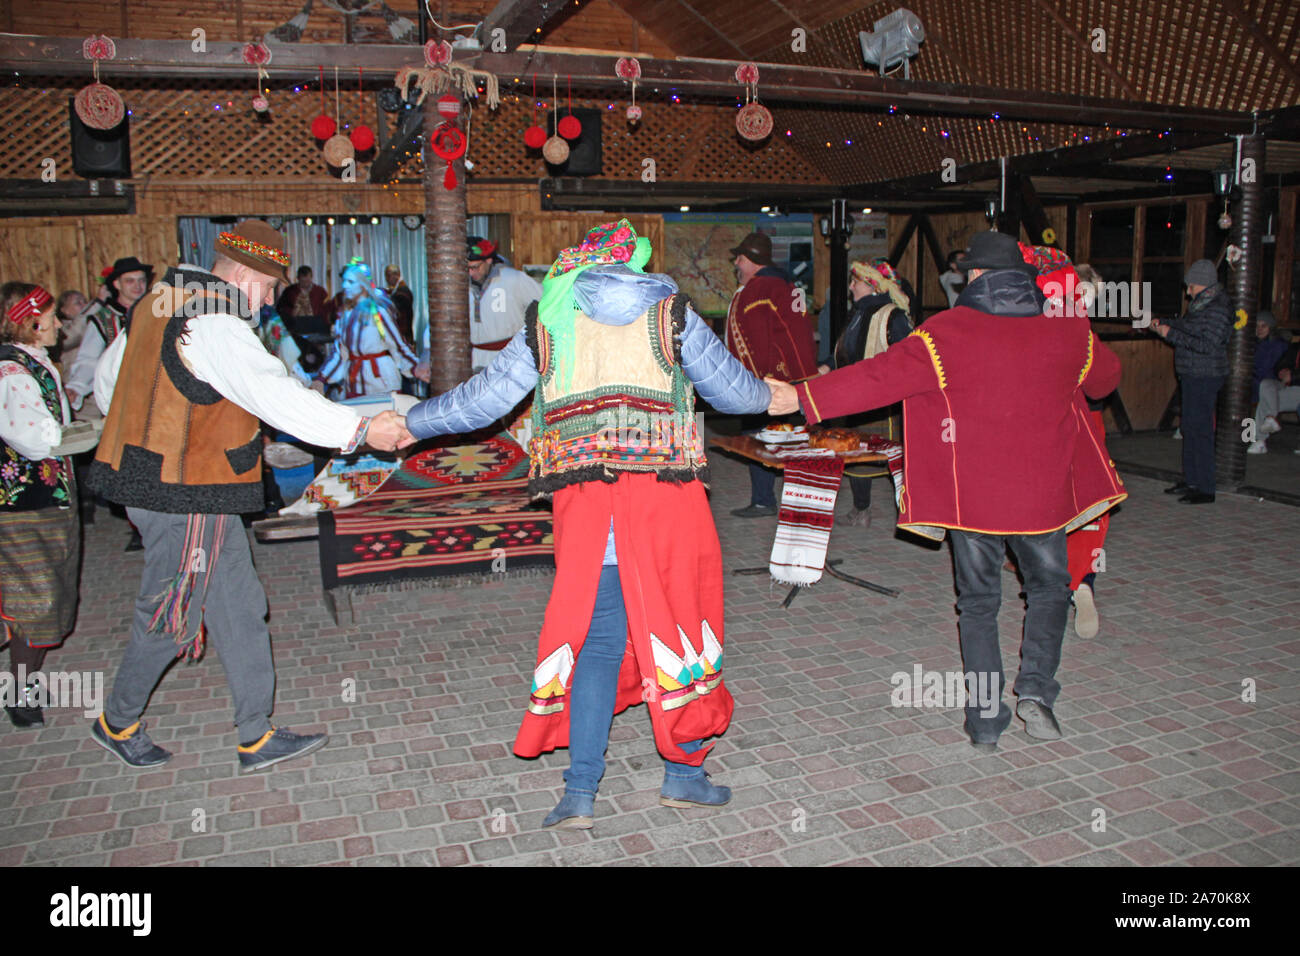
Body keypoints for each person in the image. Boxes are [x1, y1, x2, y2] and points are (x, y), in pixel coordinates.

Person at [404, 220, 772, 829]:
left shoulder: (549, 317)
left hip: (585, 503)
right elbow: (738, 398)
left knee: (598, 641)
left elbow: (483, 402)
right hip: (664, 500)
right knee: (679, 625)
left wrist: (412, 422)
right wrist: (772, 394)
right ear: (637, 263)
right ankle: (683, 774)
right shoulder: (670, 312)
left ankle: (580, 792)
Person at [769, 230, 1126, 752]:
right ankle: (1037, 692)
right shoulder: (1068, 332)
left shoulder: (945, 333)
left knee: (980, 602)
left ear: (976, 277)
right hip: (1043, 498)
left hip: (973, 501)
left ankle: (985, 719)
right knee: (1050, 590)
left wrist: (802, 397)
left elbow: (876, 378)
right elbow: (1104, 383)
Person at [87, 220, 409, 772]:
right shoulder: (214, 320)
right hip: (182, 492)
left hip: (169, 483)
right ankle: (116, 720)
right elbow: (272, 393)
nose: (266, 300)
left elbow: (106, 380)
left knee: (238, 604)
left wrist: (149, 432)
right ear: (240, 272)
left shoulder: (158, 302)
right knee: (174, 613)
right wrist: (359, 431)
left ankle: (255, 735)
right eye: (265, 286)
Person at [0, 283, 81, 728]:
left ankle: (24, 680)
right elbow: (33, 438)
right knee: (35, 598)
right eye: (51, 316)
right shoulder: (11, 371)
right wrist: (70, 434)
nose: (58, 324)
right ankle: (18, 692)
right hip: (24, 506)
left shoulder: (29, 363)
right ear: (29, 320)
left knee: (47, 593)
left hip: (44, 501)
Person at [724, 231, 817, 517]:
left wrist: (750, 384)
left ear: (751, 259)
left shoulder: (757, 291)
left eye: (739, 258)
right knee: (790, 438)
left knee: (759, 438)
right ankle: (801, 499)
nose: (736, 265)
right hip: (797, 379)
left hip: (767, 382)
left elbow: (752, 342)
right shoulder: (788, 285)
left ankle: (764, 499)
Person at [829, 259, 914, 529]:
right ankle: (861, 509)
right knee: (856, 452)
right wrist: (828, 367)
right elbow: (847, 350)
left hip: (882, 401)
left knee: (893, 458)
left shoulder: (893, 316)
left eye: (857, 281)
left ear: (873, 285)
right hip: (854, 396)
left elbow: (909, 358)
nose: (851, 286)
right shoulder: (857, 313)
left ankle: (912, 514)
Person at [1150, 259, 1232, 503]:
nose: (1188, 292)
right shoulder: (1203, 304)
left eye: (1192, 287)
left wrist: (1170, 334)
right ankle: (1192, 480)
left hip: (1205, 374)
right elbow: (1190, 327)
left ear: (1204, 285)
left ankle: (1205, 488)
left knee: (1201, 431)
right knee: (1191, 429)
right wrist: (1165, 322)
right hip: (1193, 373)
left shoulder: (1218, 308)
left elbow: (1208, 344)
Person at [308, 259, 417, 399]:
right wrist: (321, 379)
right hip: (355, 384)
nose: (344, 285)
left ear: (363, 285)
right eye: (344, 281)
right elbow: (341, 355)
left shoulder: (377, 312)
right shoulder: (344, 316)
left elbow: (398, 347)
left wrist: (416, 367)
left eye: (351, 282)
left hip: (382, 383)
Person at [64, 257, 152, 414]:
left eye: (141, 280)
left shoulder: (153, 314)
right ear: (117, 284)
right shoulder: (103, 319)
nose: (138, 286)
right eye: (130, 281)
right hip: (117, 398)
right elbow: (89, 360)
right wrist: (76, 387)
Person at [466, 237, 541, 372]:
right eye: (467, 268)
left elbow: (547, 303)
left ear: (488, 260)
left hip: (510, 360)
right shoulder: (460, 285)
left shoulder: (514, 279)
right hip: (474, 360)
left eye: (475, 267)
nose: (471, 273)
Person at [1248, 328, 1300, 455]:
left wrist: (1293, 376)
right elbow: (1281, 363)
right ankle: (1261, 439)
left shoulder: (1277, 344)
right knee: (1266, 387)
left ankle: (1270, 419)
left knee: (1265, 397)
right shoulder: (1295, 347)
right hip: (1288, 387)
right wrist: (1282, 370)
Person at [275, 265, 329, 333]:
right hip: (295, 325)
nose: (306, 284)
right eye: (303, 281)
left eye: (308, 281)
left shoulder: (320, 291)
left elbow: (326, 309)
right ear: (298, 278)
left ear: (311, 277)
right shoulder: (289, 291)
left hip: (314, 325)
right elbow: (280, 308)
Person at [384, 264, 416, 346]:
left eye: (388, 276)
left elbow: (393, 308)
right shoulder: (396, 291)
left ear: (396, 275)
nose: (386, 279)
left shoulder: (403, 292)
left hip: (403, 337)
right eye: (386, 276)